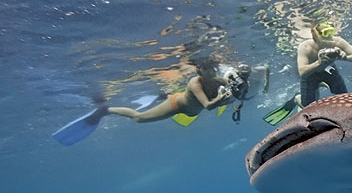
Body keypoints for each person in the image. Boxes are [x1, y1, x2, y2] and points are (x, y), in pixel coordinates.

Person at [51, 57, 250, 145]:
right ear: (199, 71)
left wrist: (237, 88)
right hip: (176, 105)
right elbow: (207, 106)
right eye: (208, 71)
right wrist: (222, 98)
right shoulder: (194, 83)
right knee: (139, 118)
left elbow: (233, 85)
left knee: (223, 98)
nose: (212, 74)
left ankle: (161, 94)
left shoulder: (216, 78)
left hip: (190, 111)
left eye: (214, 70)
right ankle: (106, 110)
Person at [263, 22, 352, 125]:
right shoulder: (305, 46)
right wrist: (319, 63)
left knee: (344, 97)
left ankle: (323, 86)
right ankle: (297, 99)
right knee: (309, 108)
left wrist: (345, 57)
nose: (329, 37)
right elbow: (302, 72)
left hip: (328, 68)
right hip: (310, 72)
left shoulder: (338, 42)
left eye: (331, 32)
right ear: (316, 36)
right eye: (325, 33)